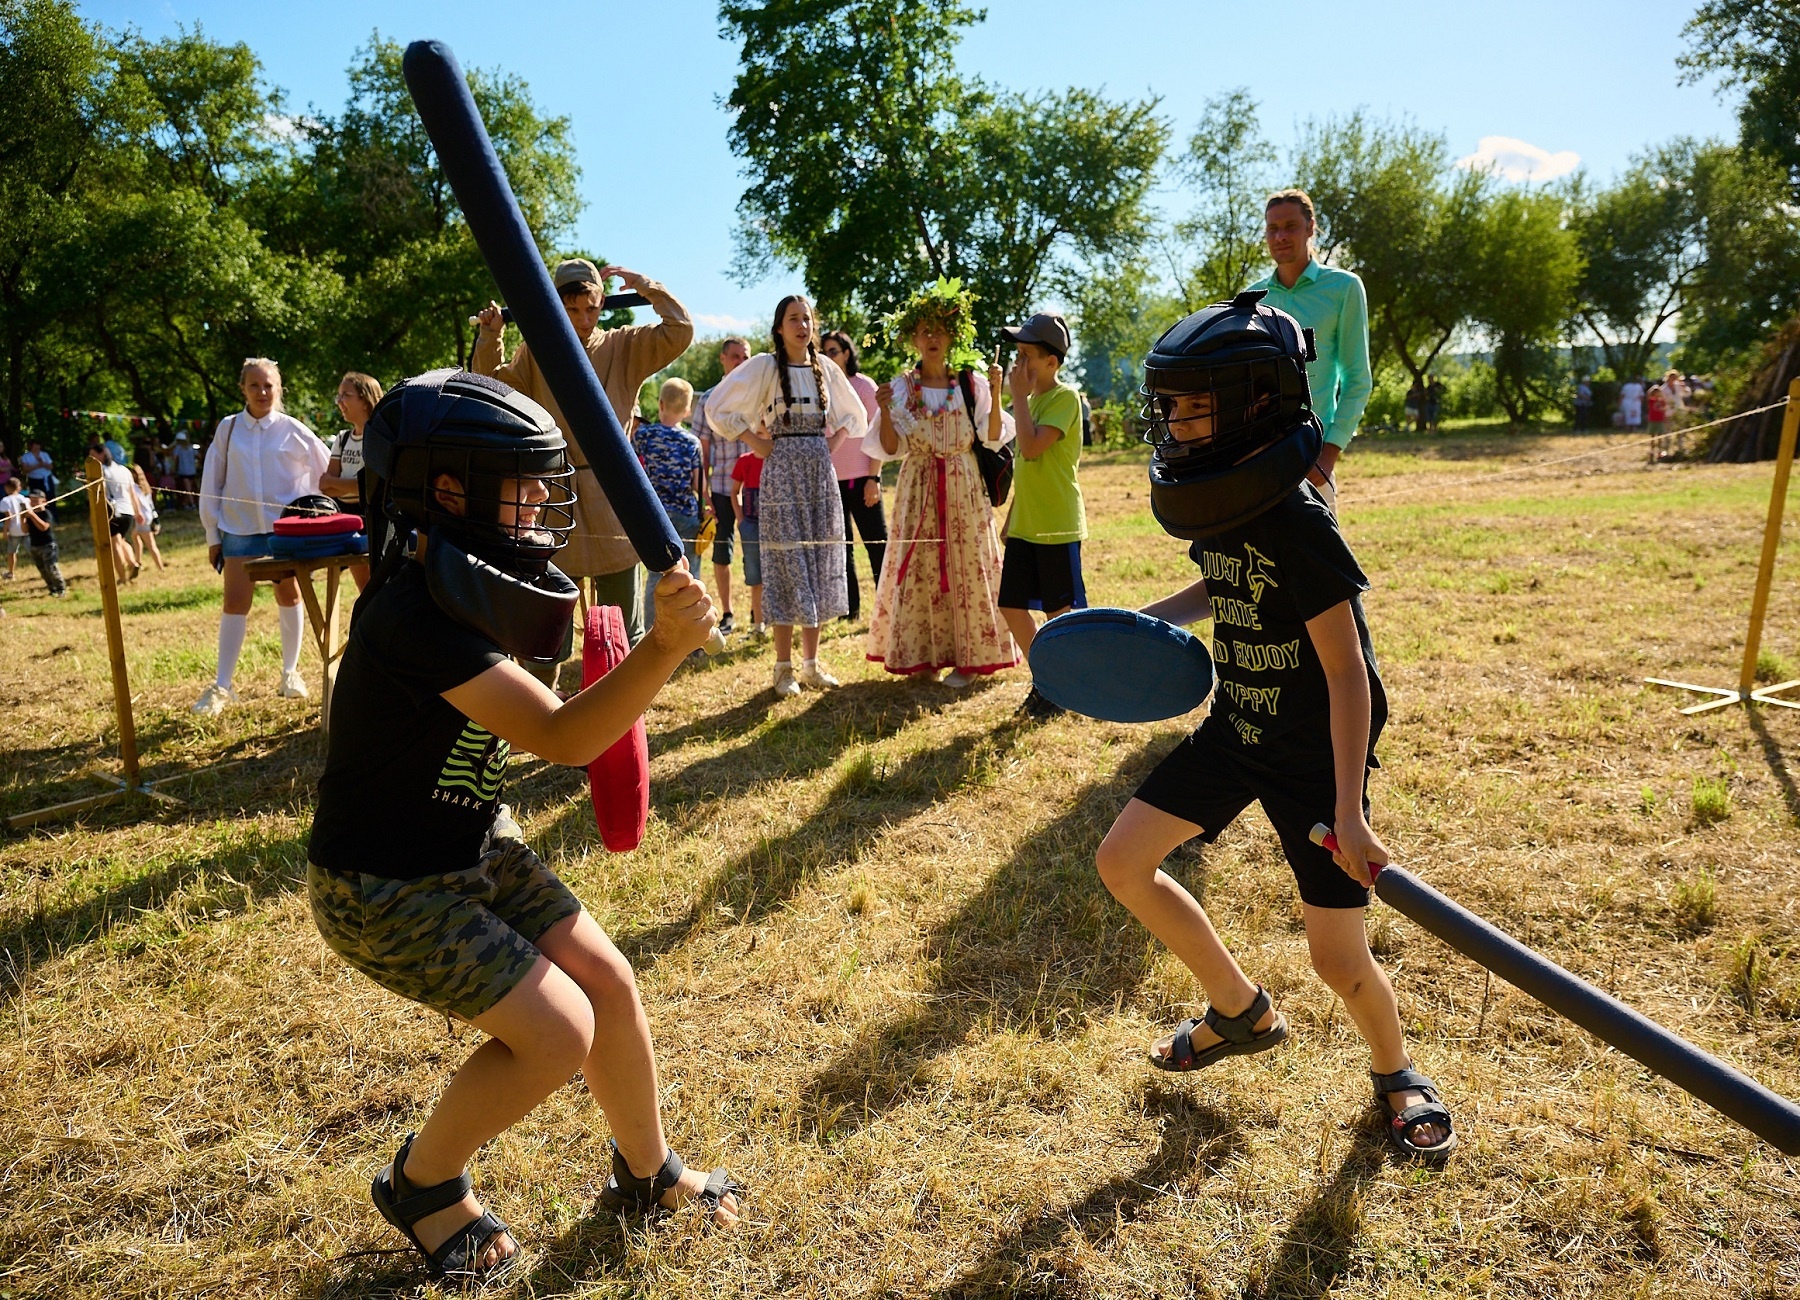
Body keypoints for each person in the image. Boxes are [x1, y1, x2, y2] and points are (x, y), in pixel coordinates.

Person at [308, 370, 739, 1285]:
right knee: (557, 1033)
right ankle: (422, 1185)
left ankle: (645, 1170)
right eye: (527, 480)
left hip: (471, 845)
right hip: (386, 887)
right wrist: (663, 650)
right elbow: (564, 735)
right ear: (451, 490)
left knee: (609, 985)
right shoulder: (414, 614)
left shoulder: (469, 583)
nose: (546, 500)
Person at [1095, 290, 1455, 1161]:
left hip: (1311, 759)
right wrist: (1144, 623)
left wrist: (1351, 811)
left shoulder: (1298, 518)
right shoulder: (1221, 497)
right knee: (1121, 862)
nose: (1172, 423)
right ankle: (1238, 1009)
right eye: (1167, 406)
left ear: (1254, 401)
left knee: (1336, 959)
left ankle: (1398, 1073)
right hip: (1237, 728)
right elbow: (1221, 587)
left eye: (1188, 406)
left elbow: (1347, 672)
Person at [474, 259, 693, 658]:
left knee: (623, 622)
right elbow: (492, 389)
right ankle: (547, 705)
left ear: (602, 303)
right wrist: (491, 337)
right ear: (555, 306)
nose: (583, 319)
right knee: (547, 623)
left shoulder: (624, 345)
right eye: (572, 309)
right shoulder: (536, 353)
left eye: (591, 308)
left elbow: (680, 330)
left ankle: (626, 710)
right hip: (555, 496)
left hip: (615, 497)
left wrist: (647, 287)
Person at [703, 295, 868, 697]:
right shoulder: (764, 366)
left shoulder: (825, 367)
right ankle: (783, 668)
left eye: (807, 319)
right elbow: (717, 405)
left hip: (818, 474)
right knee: (785, 562)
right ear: (779, 327)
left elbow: (854, 414)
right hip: (779, 471)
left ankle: (811, 664)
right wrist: (752, 441)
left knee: (815, 560)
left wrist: (832, 442)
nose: (802, 326)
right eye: (793, 319)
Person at [864, 281, 1016, 684]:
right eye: (924, 330)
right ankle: (926, 655)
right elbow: (889, 447)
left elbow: (993, 435)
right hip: (918, 487)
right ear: (912, 337)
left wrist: (998, 392)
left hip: (963, 485)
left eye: (939, 329)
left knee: (967, 566)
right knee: (922, 568)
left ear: (952, 335)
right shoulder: (900, 388)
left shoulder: (970, 384)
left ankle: (969, 659)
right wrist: (882, 411)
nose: (932, 337)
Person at [194, 358, 331, 716]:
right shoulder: (228, 429)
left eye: (269, 385)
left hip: (283, 532)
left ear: (279, 388)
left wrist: (316, 515)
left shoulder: (293, 429)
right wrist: (213, 533)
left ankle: (290, 674)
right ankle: (223, 685)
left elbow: (327, 471)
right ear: (243, 388)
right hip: (237, 529)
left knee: (289, 594)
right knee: (235, 602)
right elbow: (213, 479)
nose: (262, 392)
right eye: (254, 385)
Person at [1247, 190, 1373, 509]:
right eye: (1272, 229)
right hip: (1259, 458)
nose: (1281, 236)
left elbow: (1357, 379)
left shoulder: (1343, 288)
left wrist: (1328, 454)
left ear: (1310, 227)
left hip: (1312, 457)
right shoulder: (1251, 298)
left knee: (1317, 559)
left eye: (1290, 226)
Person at [997, 311, 1087, 719]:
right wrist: (1012, 514)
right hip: (1027, 525)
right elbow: (1025, 467)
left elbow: (1033, 448)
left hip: (1056, 525)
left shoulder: (1065, 399)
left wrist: (1016, 396)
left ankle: (1063, 687)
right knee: (1012, 605)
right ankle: (1050, 680)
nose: (1020, 366)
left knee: (1058, 615)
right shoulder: (1029, 402)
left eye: (1027, 356)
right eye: (1018, 355)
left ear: (1052, 362)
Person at [821, 329, 888, 622]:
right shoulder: (820, 388)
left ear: (847, 353)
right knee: (841, 548)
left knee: (877, 546)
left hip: (863, 479)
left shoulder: (863, 387)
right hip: (830, 481)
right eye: (823, 353)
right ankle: (850, 612)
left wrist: (874, 478)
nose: (828, 357)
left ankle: (887, 609)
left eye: (833, 351)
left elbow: (877, 434)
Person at [632, 378, 705, 624]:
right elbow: (698, 484)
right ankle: (691, 632)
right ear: (687, 410)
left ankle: (653, 634)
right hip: (686, 515)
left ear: (661, 404)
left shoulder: (643, 435)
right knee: (690, 575)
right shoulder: (692, 442)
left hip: (656, 516)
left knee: (657, 577)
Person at [692, 336, 751, 634]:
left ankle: (760, 612)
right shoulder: (709, 400)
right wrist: (704, 494)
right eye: (735, 356)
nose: (741, 362)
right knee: (722, 551)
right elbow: (701, 452)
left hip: (756, 487)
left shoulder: (758, 395)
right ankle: (728, 612)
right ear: (723, 359)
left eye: (745, 356)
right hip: (721, 488)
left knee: (760, 549)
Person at [321, 371, 383, 591]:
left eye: (345, 395)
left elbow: (371, 486)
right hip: (346, 517)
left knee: (380, 583)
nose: (339, 402)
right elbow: (324, 486)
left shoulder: (379, 438)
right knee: (364, 588)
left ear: (365, 400)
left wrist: (340, 484)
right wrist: (352, 485)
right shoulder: (342, 438)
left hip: (374, 518)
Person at [730, 450, 765, 635]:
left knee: (774, 577)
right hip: (750, 525)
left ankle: (776, 623)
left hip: (774, 526)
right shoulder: (744, 461)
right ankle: (758, 626)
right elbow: (734, 491)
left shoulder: (776, 457)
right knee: (755, 577)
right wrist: (740, 519)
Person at [95, 447, 140, 583]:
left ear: (102, 455)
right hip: (128, 510)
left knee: (114, 543)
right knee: (121, 540)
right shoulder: (124, 470)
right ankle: (133, 562)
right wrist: (137, 512)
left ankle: (122, 577)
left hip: (113, 511)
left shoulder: (102, 471)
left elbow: (99, 493)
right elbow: (132, 492)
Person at [23, 490, 66, 596]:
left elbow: (43, 527)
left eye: (36, 501)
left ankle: (61, 588)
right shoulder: (30, 515)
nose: (33, 504)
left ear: (44, 501)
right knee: (42, 569)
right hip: (35, 545)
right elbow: (24, 530)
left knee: (51, 568)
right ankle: (52, 588)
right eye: (31, 501)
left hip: (48, 545)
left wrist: (32, 515)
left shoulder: (46, 513)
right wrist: (23, 517)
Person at [129, 463, 167, 573]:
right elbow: (151, 504)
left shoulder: (134, 487)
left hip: (142, 518)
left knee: (151, 545)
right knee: (134, 535)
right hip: (147, 516)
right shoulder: (145, 486)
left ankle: (161, 568)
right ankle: (138, 561)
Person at [0, 477, 25, 581]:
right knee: (33, 550)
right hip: (25, 528)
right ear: (18, 487)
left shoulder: (5, 500)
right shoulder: (23, 498)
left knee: (12, 552)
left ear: (6, 488)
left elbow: (9, 517)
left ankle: (11, 573)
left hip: (14, 530)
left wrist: (5, 531)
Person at [172, 431, 198, 505]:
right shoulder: (191, 447)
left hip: (183, 471)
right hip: (192, 471)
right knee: (188, 488)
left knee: (188, 489)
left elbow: (174, 458)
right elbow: (198, 456)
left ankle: (192, 504)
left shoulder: (178, 448)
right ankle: (185, 504)